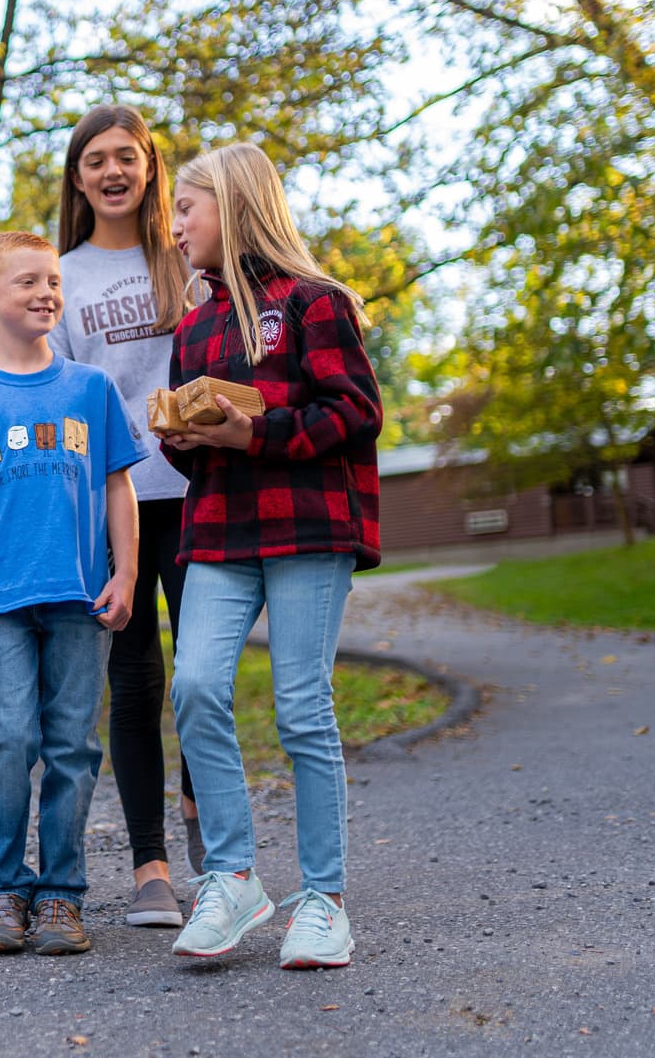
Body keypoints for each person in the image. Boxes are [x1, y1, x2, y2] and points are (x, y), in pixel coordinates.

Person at [159, 143, 382, 969]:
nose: (175, 226)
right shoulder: (193, 325)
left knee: (301, 707)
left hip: (309, 527)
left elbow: (355, 411)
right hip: (221, 528)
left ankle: (325, 900)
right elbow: (196, 452)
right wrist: (186, 436)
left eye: (187, 208)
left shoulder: (316, 302)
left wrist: (255, 433)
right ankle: (233, 878)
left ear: (234, 205)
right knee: (194, 686)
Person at [0, 231, 142, 957]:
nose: (46, 292)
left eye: (53, 281)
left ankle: (62, 895)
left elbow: (118, 486)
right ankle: (4, 888)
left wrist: (127, 573)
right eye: (28, 282)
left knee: (73, 745)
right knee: (9, 740)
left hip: (81, 601)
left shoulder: (90, 389)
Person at [48, 105, 200, 930]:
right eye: (96, 160)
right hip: (115, 504)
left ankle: (203, 810)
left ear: (150, 167)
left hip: (201, 490)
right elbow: (59, 396)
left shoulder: (186, 257)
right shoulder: (62, 275)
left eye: (126, 157)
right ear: (77, 180)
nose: (113, 171)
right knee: (134, 679)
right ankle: (151, 867)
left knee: (204, 675)